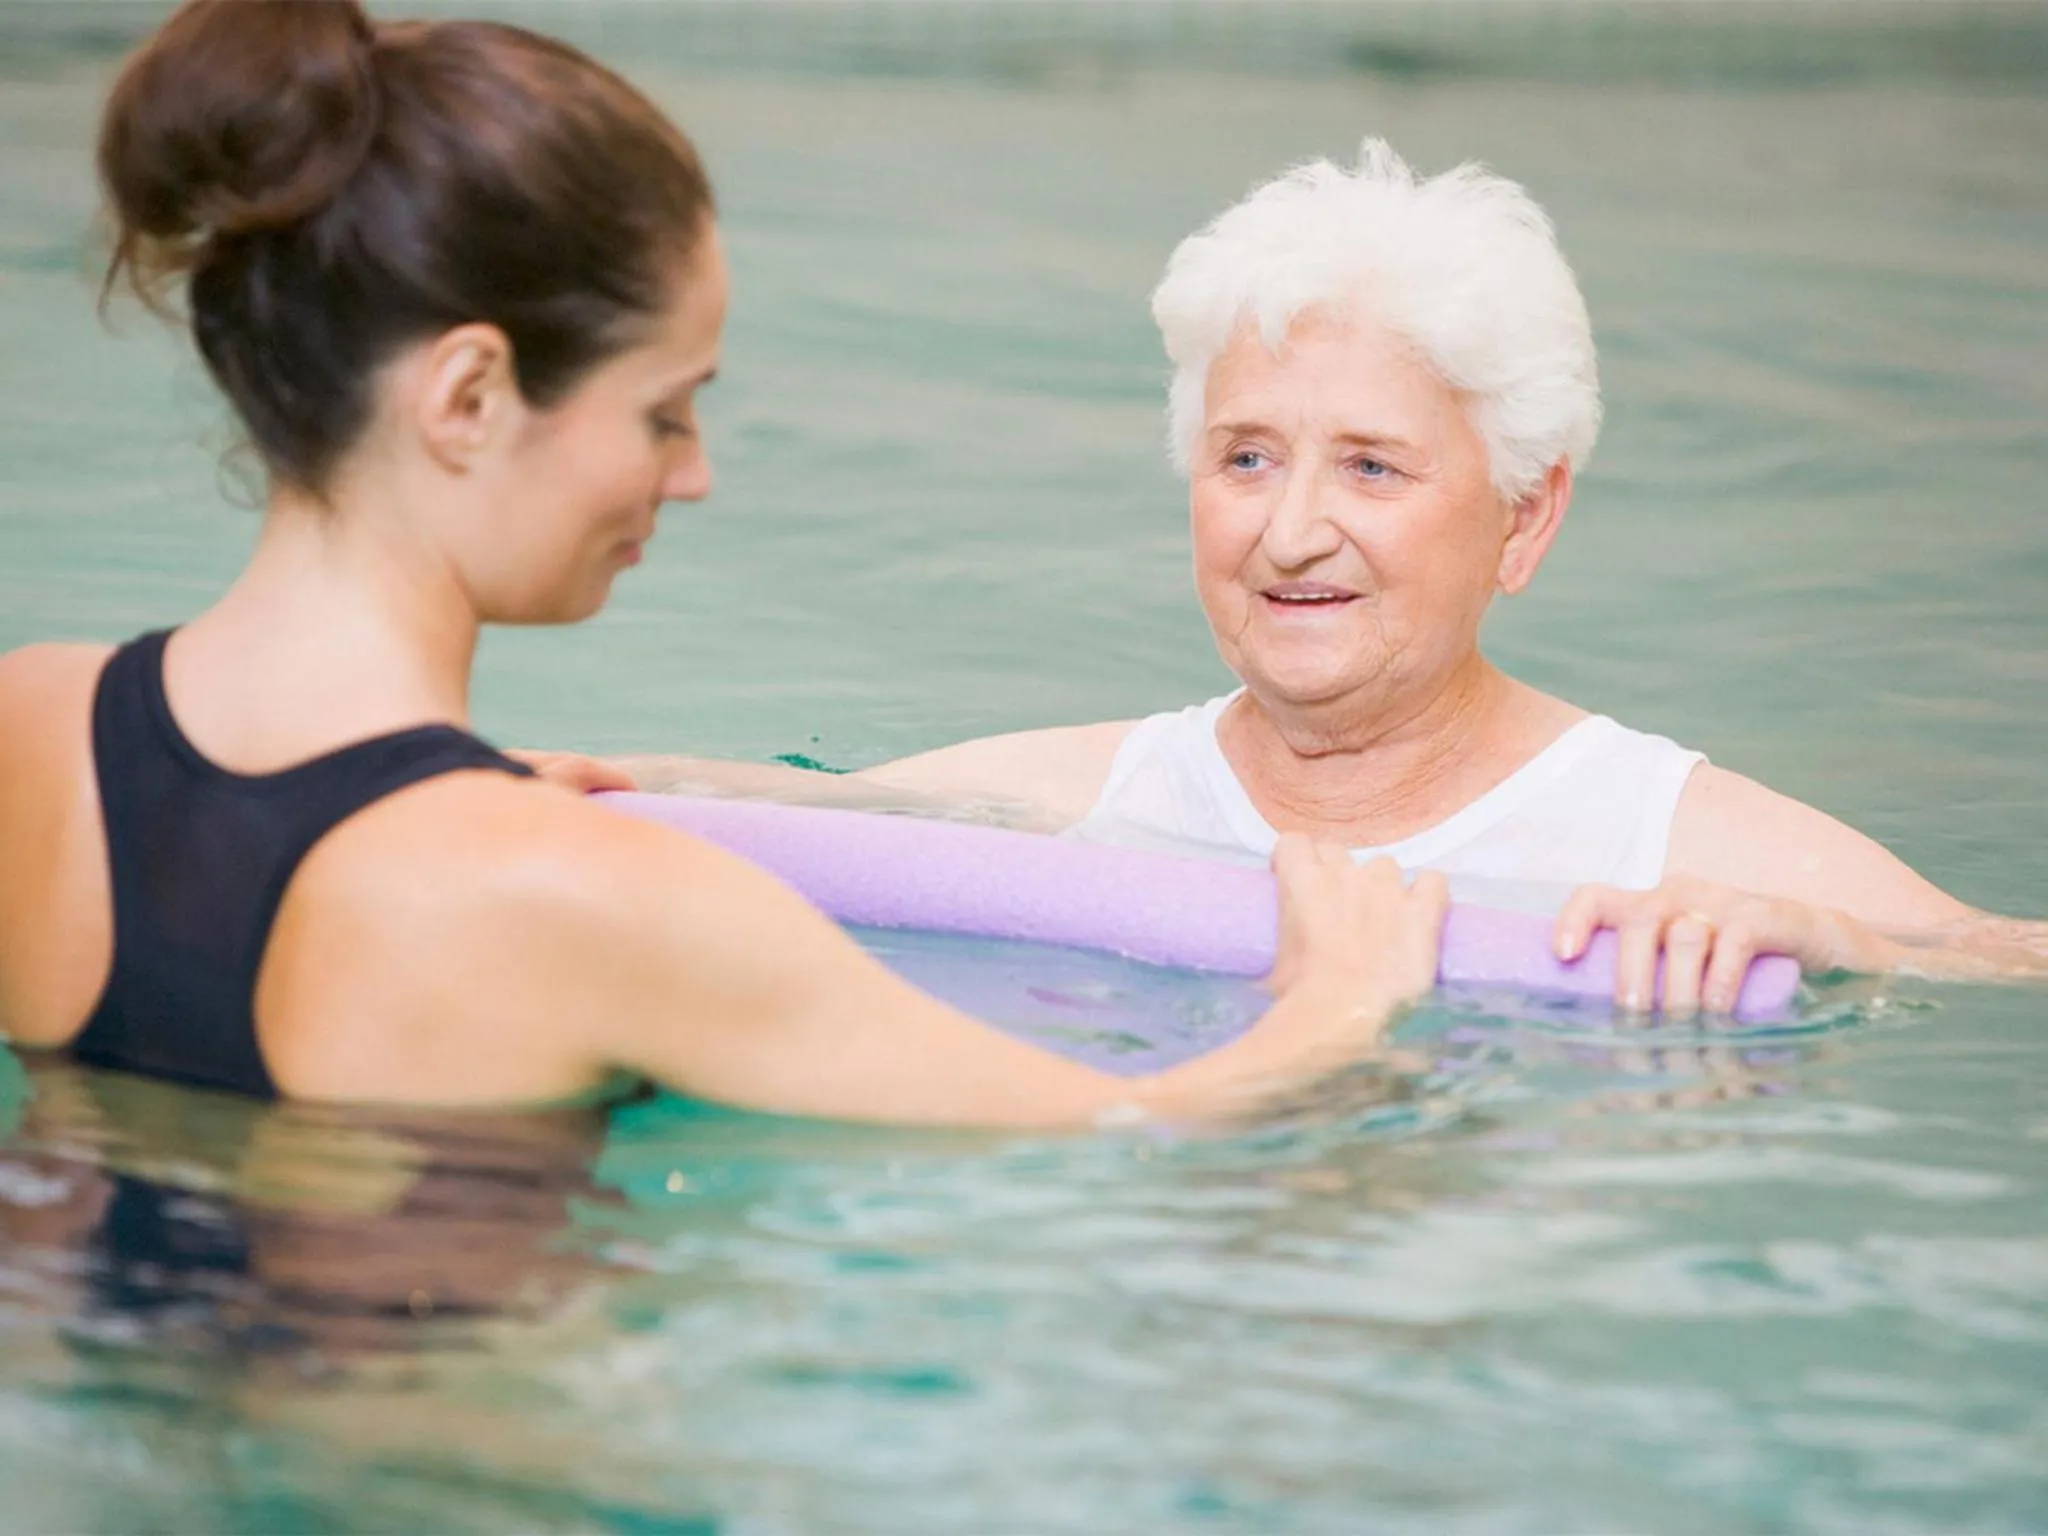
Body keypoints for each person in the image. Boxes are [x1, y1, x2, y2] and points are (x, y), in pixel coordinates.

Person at [0, 0, 1490, 1127]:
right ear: (466, 397)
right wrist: (1341, 1003)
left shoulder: (31, 728)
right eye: (663, 410)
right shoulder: (594, 900)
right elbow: (1133, 1121)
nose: (694, 472)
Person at [532, 139, 2042, 1010]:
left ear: (1525, 520)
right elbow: (810, 816)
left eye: (1372, 468)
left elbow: (2014, 964)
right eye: (1246, 457)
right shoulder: (1095, 795)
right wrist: (614, 783)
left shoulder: (1675, 838)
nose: (1291, 530)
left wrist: (1843, 948)